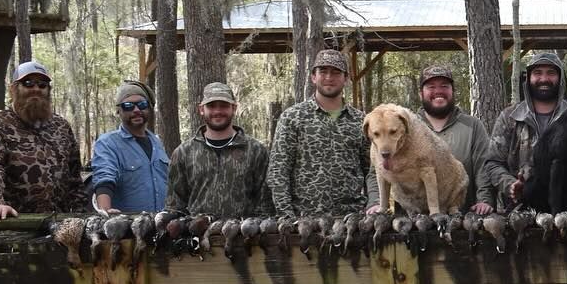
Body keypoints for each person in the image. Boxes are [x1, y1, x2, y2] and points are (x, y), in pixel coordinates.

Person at [268, 49, 379, 217]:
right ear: (313, 77)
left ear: (346, 79)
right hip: (305, 221)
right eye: (323, 71)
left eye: (336, 72)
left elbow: (373, 169)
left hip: (352, 220)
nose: (329, 77)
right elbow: (279, 170)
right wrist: (287, 216)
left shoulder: (361, 121)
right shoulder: (293, 117)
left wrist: (374, 203)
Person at [0, 60, 86, 220]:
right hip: (15, 222)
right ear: (14, 89)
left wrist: (81, 215)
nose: (36, 89)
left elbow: (74, 177)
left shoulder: (61, 126)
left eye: (42, 84)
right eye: (28, 83)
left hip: (60, 223)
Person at [166, 81, 272, 217]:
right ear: (201, 110)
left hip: (244, 235)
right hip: (198, 234)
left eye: (223, 106)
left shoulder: (255, 150)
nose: (217, 111)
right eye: (211, 106)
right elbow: (175, 205)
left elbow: (265, 203)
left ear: (233, 108)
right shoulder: (184, 152)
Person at [482, 51, 567, 211]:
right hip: (518, 211)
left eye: (551, 73)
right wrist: (509, 185)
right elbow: (493, 162)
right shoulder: (509, 117)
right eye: (537, 73)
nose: (544, 79)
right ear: (528, 78)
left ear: (560, 79)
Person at [414, 64, 496, 213]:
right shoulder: (407, 127)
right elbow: (380, 167)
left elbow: (483, 167)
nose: (438, 91)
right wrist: (375, 203)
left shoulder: (473, 126)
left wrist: (484, 200)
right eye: (431, 87)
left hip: (463, 221)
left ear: (453, 91)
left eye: (444, 86)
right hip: (415, 222)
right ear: (421, 93)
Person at [91, 81, 169, 212]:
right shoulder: (108, 143)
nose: (137, 110)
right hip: (128, 227)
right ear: (118, 110)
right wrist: (105, 212)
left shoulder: (157, 142)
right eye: (128, 106)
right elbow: (104, 179)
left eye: (142, 105)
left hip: (160, 225)